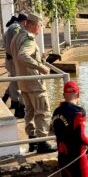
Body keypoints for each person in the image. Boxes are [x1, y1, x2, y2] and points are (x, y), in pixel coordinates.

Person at [10, 13, 56, 153]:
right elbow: (23, 55)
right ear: (32, 25)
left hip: (23, 82)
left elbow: (15, 55)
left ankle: (33, 141)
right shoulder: (29, 39)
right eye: (40, 26)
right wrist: (40, 66)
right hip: (34, 83)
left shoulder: (17, 36)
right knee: (43, 111)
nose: (40, 29)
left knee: (29, 111)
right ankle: (42, 143)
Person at [52, 81, 88, 177]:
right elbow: (80, 136)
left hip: (62, 156)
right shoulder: (78, 112)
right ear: (78, 95)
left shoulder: (56, 111)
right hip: (77, 158)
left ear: (64, 95)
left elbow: (57, 131)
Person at [2, 13, 28, 118]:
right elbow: (17, 44)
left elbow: (4, 42)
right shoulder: (16, 28)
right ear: (24, 21)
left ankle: (6, 98)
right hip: (13, 60)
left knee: (14, 81)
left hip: (10, 59)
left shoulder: (11, 27)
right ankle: (18, 109)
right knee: (16, 83)